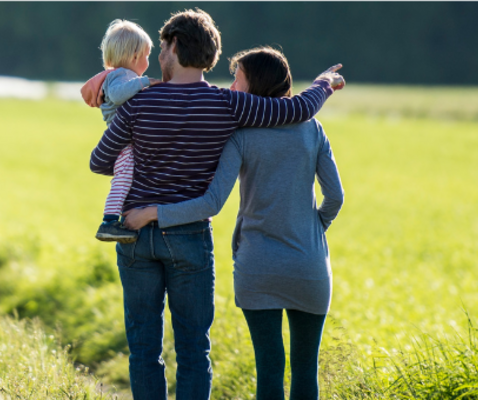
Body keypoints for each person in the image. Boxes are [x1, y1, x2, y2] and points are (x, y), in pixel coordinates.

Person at [88, 9, 345, 400]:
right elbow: (296, 110)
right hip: (189, 236)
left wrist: (139, 160)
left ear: (174, 46)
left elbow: (98, 160)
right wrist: (324, 84)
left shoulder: (141, 101)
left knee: (144, 349)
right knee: (193, 348)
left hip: (134, 233)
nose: (159, 57)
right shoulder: (230, 106)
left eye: (162, 48)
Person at [79, 19, 161, 243]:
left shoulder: (123, 76)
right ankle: (109, 222)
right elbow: (117, 95)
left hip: (126, 138)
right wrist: (144, 83)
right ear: (135, 56)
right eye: (146, 55)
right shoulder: (120, 76)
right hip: (123, 142)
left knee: (128, 176)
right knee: (123, 177)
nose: (147, 61)